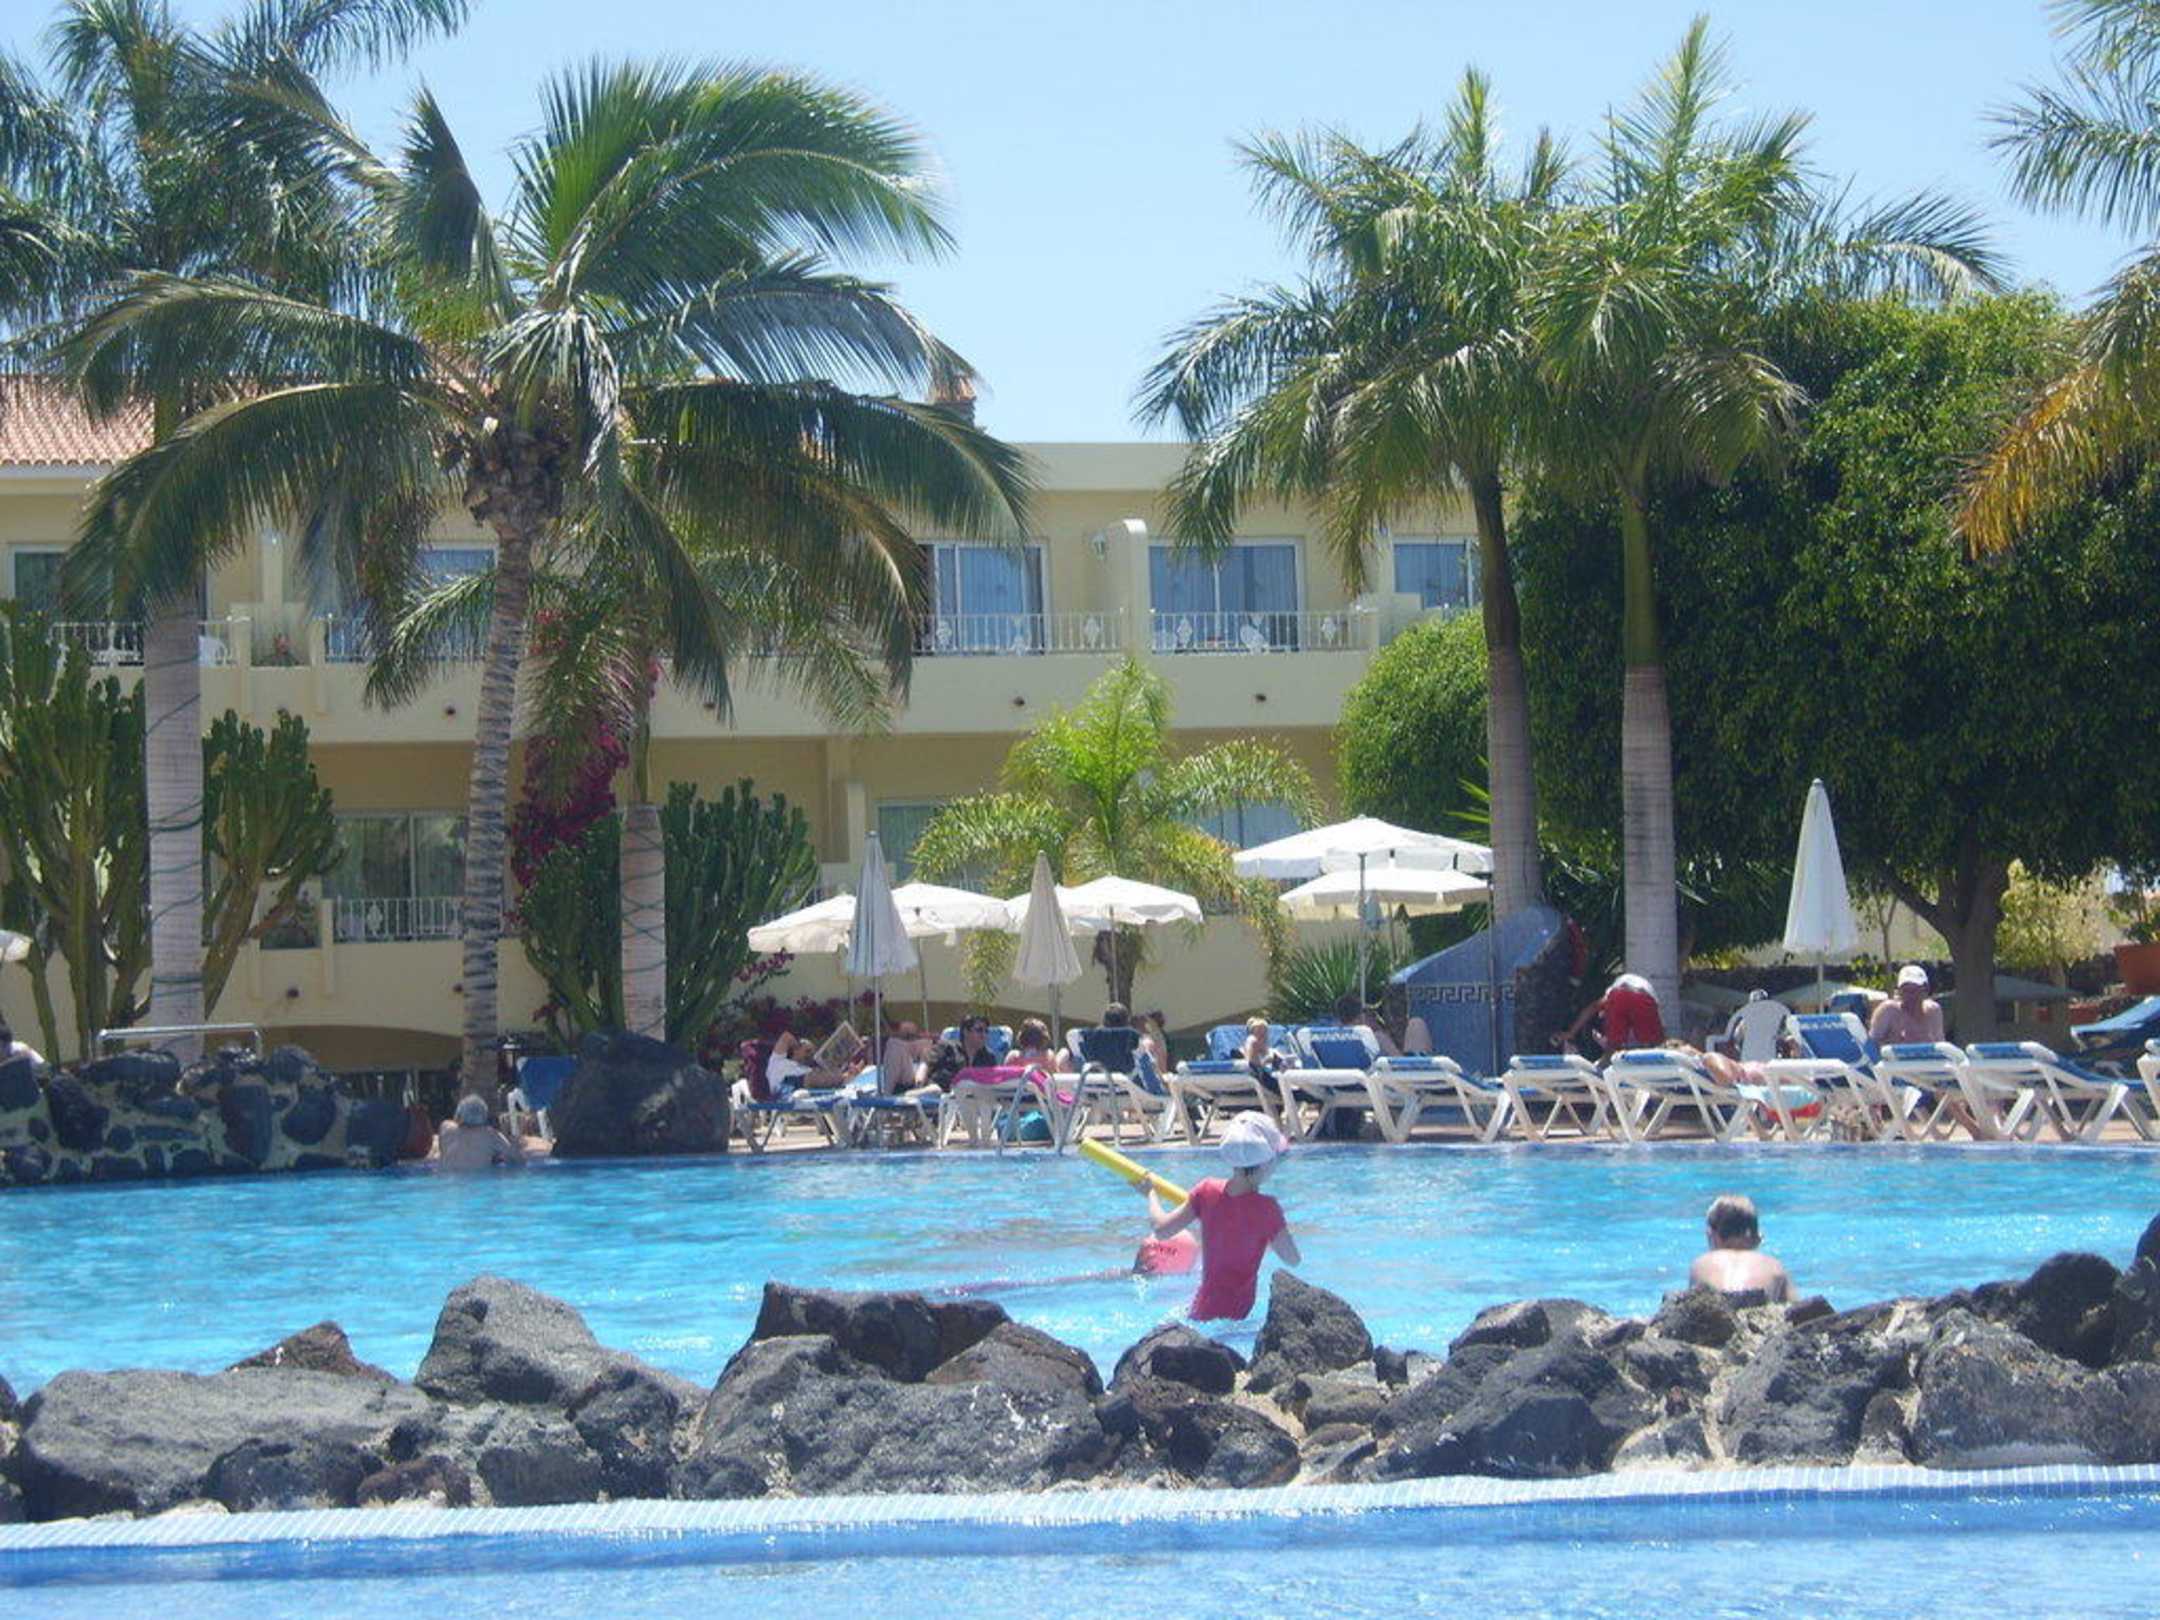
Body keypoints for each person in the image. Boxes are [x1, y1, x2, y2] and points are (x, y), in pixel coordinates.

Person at [1142, 1111, 1301, 1321]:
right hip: (1237, 1318)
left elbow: (1161, 1229)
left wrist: (1151, 1193)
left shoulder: (1206, 1190)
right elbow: (1293, 1259)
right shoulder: (1267, 1210)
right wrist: (1272, 1233)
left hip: (1200, 1311)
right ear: (1266, 1162)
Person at [1687, 1194, 1792, 1302]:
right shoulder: (1775, 1267)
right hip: (1756, 1303)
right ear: (1757, 1238)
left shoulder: (1700, 1264)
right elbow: (1794, 1307)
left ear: (1711, 1235)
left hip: (1717, 1305)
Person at [1558, 972, 1665, 1057]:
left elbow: (1592, 1008)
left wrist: (1571, 1032)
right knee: (1651, 1046)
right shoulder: (1637, 989)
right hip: (1643, 996)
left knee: (1613, 1048)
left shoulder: (1613, 992)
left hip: (1619, 994)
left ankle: (1604, 1067)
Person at [435, 1093, 524, 1170]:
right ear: (484, 1116)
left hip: (447, 1180)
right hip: (479, 1179)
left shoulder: (446, 1128)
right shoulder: (491, 1135)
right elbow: (517, 1159)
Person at [1870, 964, 1946, 1046]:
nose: (1910, 996)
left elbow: (1940, 1045)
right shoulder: (1889, 1011)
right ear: (1899, 991)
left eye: (1915, 990)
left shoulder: (1934, 1011)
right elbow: (1871, 1044)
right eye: (1906, 990)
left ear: (1926, 990)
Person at [923, 1015, 995, 1091]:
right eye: (979, 1030)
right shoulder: (947, 1048)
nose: (984, 1035)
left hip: (973, 1095)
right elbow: (927, 1062)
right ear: (966, 1032)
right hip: (939, 1092)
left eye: (986, 1031)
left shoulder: (989, 1058)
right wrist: (920, 1078)